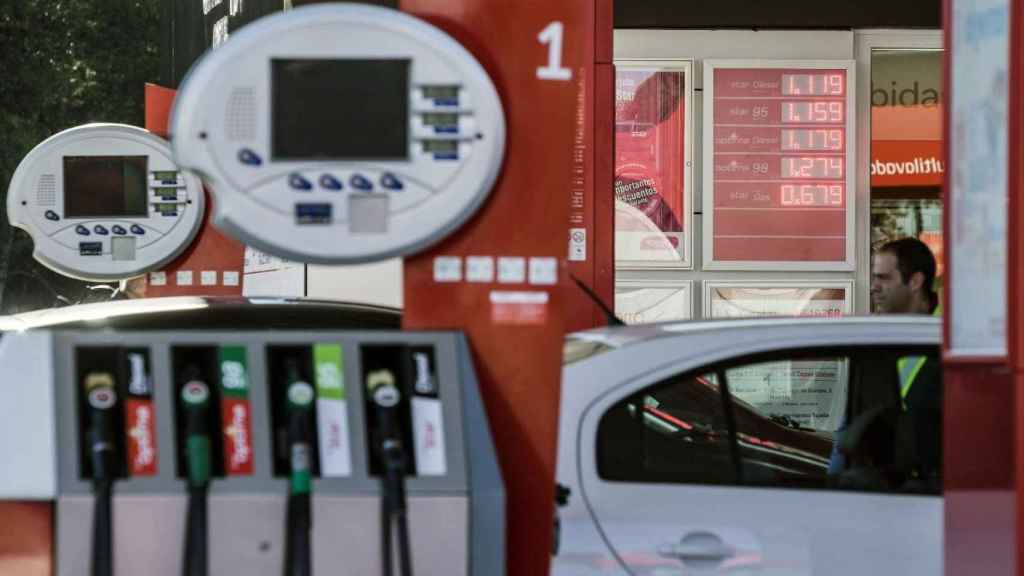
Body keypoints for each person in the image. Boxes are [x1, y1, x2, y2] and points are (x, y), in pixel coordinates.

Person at [830, 237, 942, 489]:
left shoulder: (951, 342)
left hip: (933, 496)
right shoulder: (872, 342)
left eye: (884, 278)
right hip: (878, 494)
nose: (874, 287)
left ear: (915, 281)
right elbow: (847, 431)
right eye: (874, 278)